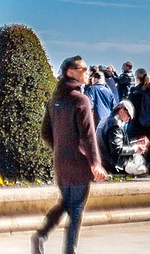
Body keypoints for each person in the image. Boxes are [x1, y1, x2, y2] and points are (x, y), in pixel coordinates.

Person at [34, 55, 106, 254]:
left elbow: (45, 133)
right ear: (70, 72)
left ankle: (40, 235)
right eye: (83, 69)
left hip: (62, 163)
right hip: (78, 163)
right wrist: (95, 163)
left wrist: (60, 148)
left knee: (66, 203)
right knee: (75, 209)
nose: (87, 72)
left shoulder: (56, 100)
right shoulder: (80, 100)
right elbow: (88, 136)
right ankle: (69, 251)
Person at [97, 100, 149, 176]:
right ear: (121, 110)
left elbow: (114, 144)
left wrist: (135, 143)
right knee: (142, 164)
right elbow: (117, 149)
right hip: (117, 165)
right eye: (128, 116)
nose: (128, 119)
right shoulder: (115, 125)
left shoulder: (105, 121)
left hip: (105, 161)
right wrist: (135, 148)